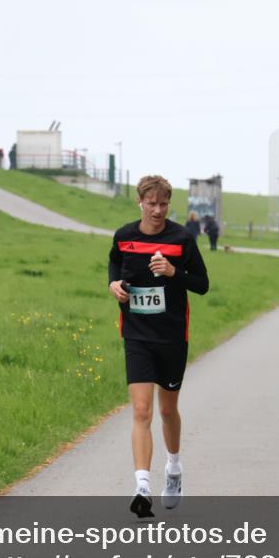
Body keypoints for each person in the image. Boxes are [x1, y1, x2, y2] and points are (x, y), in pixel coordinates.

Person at [108, 175, 209, 518]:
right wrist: (114, 285)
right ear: (140, 202)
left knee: (166, 411)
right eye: (151, 203)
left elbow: (202, 284)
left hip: (171, 337)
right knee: (140, 411)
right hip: (136, 335)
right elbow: (114, 264)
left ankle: (174, 469)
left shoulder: (181, 239)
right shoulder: (124, 236)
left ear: (169, 204)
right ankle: (141, 487)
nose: (157, 210)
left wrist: (172, 272)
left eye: (163, 204)